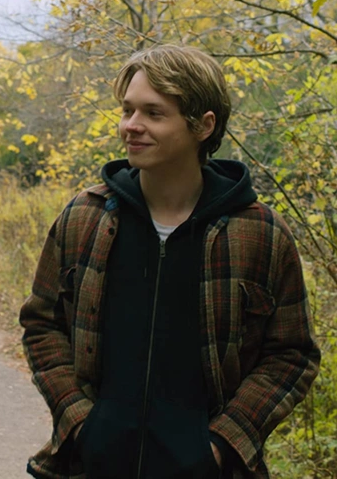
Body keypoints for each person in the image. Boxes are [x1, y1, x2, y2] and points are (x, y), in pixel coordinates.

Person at [19, 45, 320, 479]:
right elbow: (42, 324)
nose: (131, 126)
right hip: (93, 467)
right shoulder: (85, 218)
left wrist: (222, 446)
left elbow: (291, 354)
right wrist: (81, 423)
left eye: (153, 113)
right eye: (127, 110)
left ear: (203, 125)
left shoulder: (259, 232)